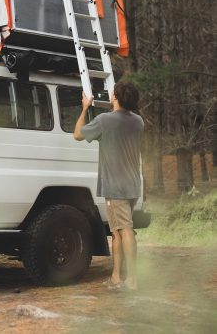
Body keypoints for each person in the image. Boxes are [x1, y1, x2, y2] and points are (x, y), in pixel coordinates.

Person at [73, 82, 144, 291]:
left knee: (126, 230)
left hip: (115, 187)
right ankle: (115, 278)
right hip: (132, 185)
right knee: (118, 232)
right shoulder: (138, 122)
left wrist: (86, 107)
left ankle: (131, 280)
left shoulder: (104, 121)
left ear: (115, 97)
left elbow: (77, 134)